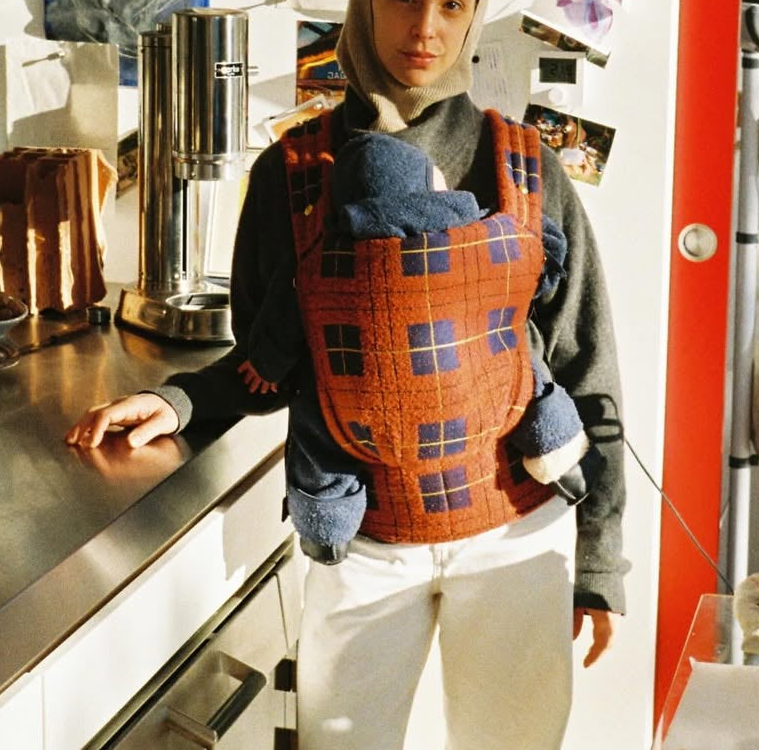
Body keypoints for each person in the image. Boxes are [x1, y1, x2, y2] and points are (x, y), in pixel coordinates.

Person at [66, 0, 627, 750]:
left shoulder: (524, 166)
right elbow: (271, 361)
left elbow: (587, 367)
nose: (426, 28)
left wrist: (600, 560)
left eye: (451, 5)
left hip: (516, 534)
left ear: (474, 15)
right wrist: (180, 403)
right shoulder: (292, 173)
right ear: (366, 0)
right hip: (362, 541)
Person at [237, 127, 603, 566]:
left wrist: (264, 364)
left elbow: (280, 318)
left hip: (362, 431)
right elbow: (537, 254)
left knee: (316, 429)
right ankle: (560, 452)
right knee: (525, 368)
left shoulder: (319, 258)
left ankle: (327, 525)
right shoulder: (480, 222)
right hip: (508, 490)